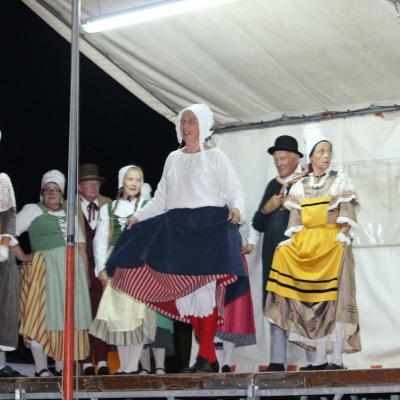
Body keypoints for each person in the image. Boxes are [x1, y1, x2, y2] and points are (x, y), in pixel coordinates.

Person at [105, 104, 247, 373]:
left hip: (207, 228)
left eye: (191, 121)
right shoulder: (173, 158)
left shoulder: (216, 157)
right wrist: (140, 218)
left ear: (203, 125)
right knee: (187, 294)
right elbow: (162, 199)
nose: (186, 126)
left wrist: (237, 208)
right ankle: (209, 357)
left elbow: (234, 190)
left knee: (203, 290)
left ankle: (205, 355)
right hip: (179, 230)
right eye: (183, 122)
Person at [265, 125, 360, 370]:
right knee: (314, 303)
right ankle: (318, 359)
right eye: (321, 152)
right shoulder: (301, 185)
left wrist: (343, 235)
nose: (326, 156)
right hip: (309, 246)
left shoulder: (339, 181)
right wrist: (290, 241)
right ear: (312, 156)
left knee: (334, 302)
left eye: (329, 151)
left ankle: (336, 359)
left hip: (332, 246)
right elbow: (295, 221)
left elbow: (347, 214)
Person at [17, 170, 92, 377]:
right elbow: (7, 231)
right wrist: (23, 256)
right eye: (48, 190)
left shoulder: (70, 215)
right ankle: (41, 368)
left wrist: (84, 281)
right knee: (38, 317)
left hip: (69, 274)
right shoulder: (32, 210)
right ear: (42, 193)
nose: (52, 194)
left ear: (62, 194)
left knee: (63, 320)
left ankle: (61, 369)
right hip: (42, 270)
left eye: (56, 190)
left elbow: (81, 249)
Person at [90, 165, 157, 375]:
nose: (134, 183)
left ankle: (131, 365)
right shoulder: (108, 210)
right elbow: (100, 242)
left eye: (138, 179)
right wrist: (101, 269)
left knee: (137, 315)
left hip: (139, 266)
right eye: (130, 179)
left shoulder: (149, 206)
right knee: (119, 316)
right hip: (117, 266)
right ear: (122, 182)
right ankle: (125, 365)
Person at [252, 135, 304, 371]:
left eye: (283, 158)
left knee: (302, 305)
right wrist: (267, 207)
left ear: (295, 159)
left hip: (298, 258)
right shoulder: (273, 185)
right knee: (275, 307)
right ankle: (277, 360)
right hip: (273, 259)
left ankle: (313, 362)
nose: (279, 163)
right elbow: (257, 223)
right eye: (276, 159)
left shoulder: (305, 182)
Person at [78, 164, 112, 376]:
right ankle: (85, 361)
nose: (93, 186)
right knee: (82, 315)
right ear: (79, 187)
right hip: (79, 268)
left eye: (96, 183)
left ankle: (102, 360)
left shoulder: (109, 204)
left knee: (103, 314)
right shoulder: (68, 206)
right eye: (88, 183)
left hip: (103, 268)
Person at [0, 168, 26, 377]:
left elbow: (9, 218)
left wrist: (4, 245)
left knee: (3, 308)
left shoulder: (2, 180)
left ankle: (0, 365)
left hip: (0, 254)